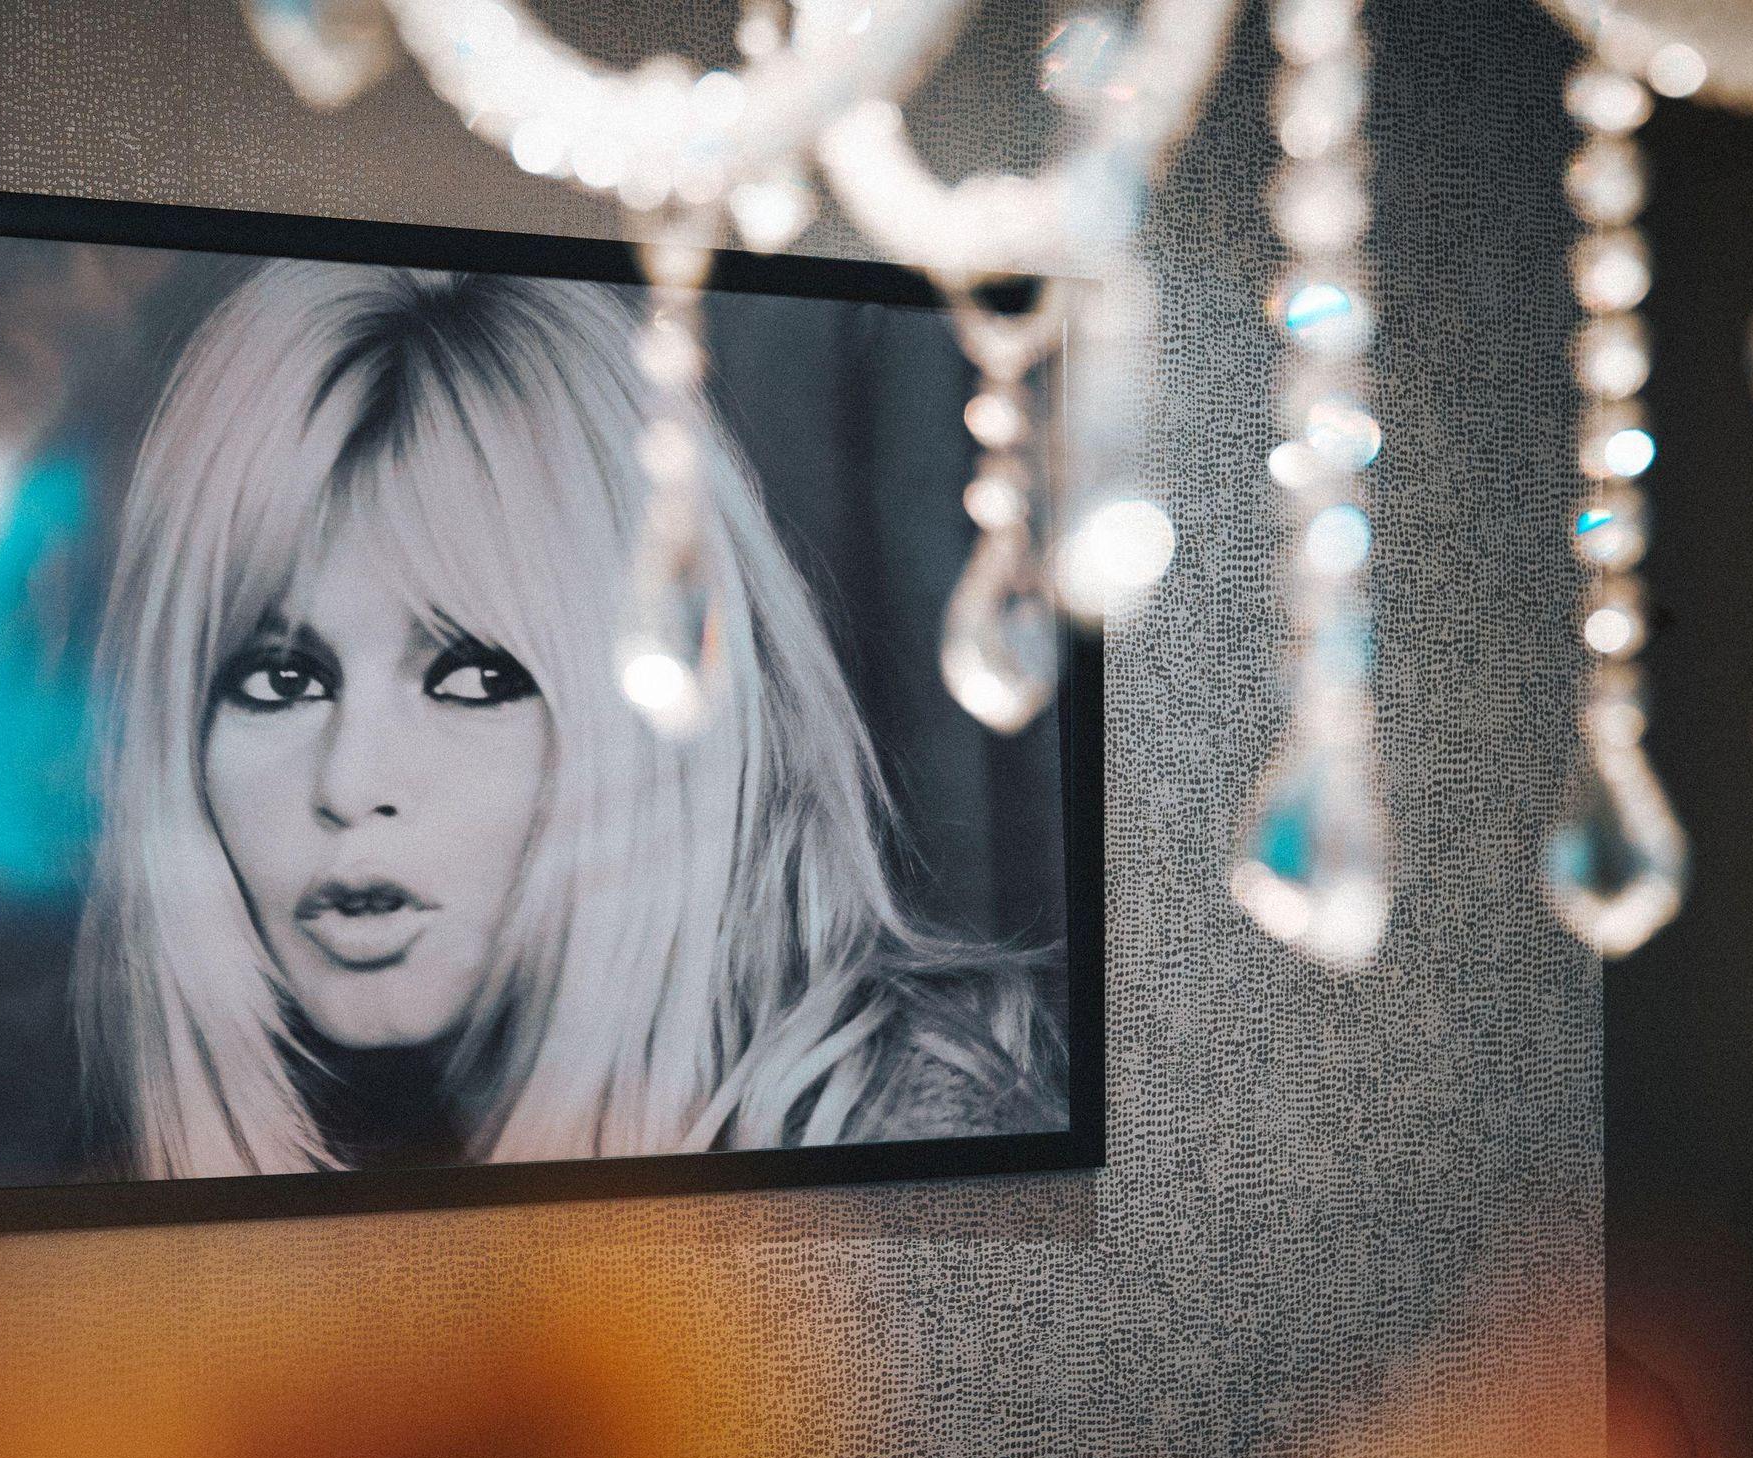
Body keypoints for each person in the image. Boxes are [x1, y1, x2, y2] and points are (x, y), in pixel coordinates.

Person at [71, 259, 1064, 1179]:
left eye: (474, 676)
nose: (349, 783)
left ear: (657, 717)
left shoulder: (913, 1148)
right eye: (282, 680)